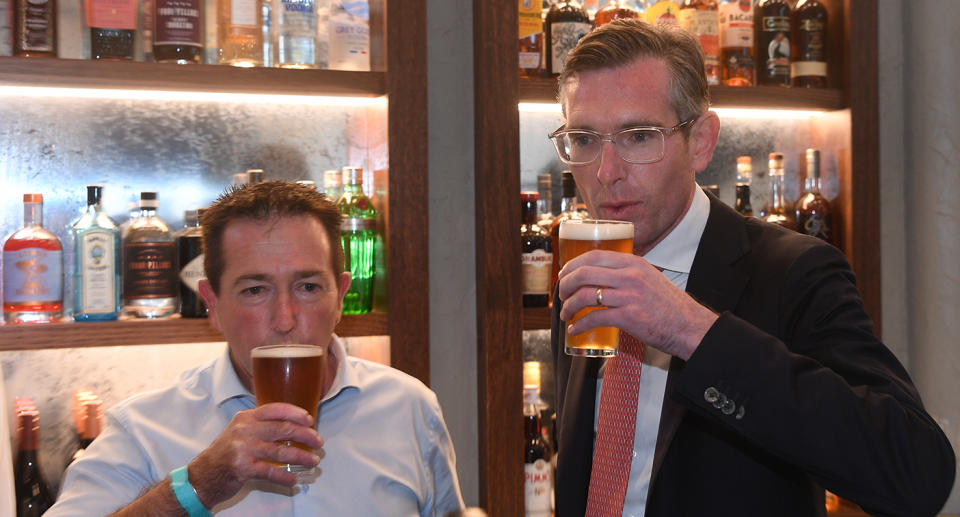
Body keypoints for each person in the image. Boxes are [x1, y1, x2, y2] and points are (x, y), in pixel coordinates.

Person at [548, 19, 955, 517]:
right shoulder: (583, 272)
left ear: (701, 141)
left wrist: (691, 330)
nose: (606, 172)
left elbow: (916, 474)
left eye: (638, 136)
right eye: (584, 139)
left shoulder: (793, 272)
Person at [47, 181, 465, 516]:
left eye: (308, 287)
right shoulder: (144, 429)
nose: (284, 318)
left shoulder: (410, 407)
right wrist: (200, 484)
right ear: (212, 304)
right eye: (255, 289)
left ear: (340, 297)